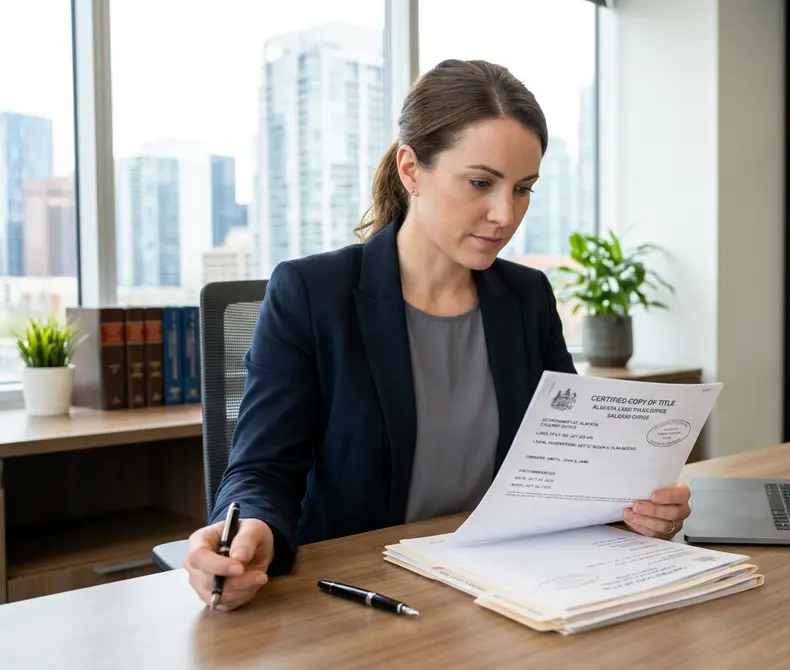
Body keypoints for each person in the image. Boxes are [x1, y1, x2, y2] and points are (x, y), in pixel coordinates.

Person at [183, 59, 693, 610]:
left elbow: (569, 460)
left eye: (523, 189)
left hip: (505, 587)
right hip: (362, 593)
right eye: (480, 182)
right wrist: (251, 529)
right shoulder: (311, 293)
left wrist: (636, 507)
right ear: (411, 169)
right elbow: (262, 468)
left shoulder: (526, 298)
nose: (505, 214)